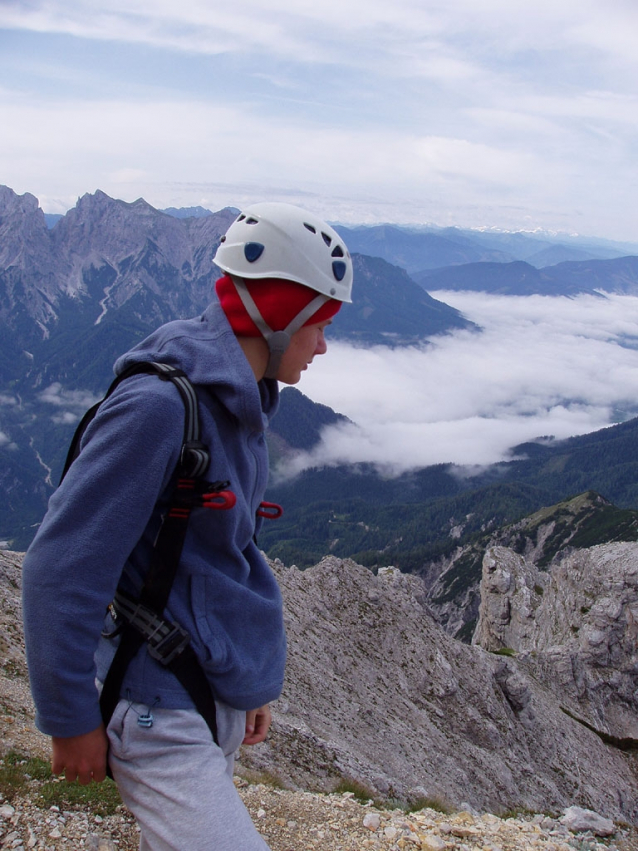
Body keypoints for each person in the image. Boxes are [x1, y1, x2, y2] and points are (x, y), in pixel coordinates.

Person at [22, 202, 353, 851]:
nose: (324, 345)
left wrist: (246, 680)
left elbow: (220, 555)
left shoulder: (239, 400)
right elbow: (59, 566)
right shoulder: (158, 409)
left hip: (199, 697)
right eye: (319, 325)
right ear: (280, 319)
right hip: (157, 712)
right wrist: (68, 719)